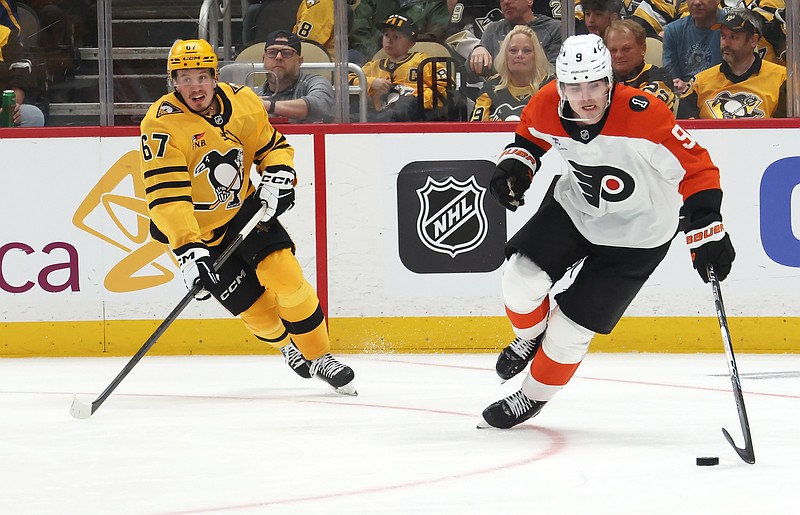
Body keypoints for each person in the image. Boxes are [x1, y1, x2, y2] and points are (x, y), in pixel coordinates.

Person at [477, 34, 735, 429]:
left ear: (610, 82)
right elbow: (529, 137)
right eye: (575, 87)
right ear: (560, 85)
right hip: (576, 209)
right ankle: (527, 335)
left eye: (595, 84)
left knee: (568, 333)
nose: (586, 97)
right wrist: (516, 166)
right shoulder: (546, 101)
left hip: (639, 235)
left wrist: (706, 226)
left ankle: (529, 397)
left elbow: (697, 169)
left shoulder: (645, 114)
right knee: (520, 278)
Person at [139, 39, 356, 395]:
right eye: (184, 78)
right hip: (196, 232)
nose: (195, 86)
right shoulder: (161, 124)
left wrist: (279, 175)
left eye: (202, 76)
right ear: (173, 83)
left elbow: (273, 148)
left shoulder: (242, 101)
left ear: (214, 77)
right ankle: (286, 346)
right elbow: (167, 198)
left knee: (285, 276)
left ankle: (321, 357)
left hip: (243, 212)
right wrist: (189, 251)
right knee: (256, 311)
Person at [677, 9, 786, 119]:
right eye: (723, 36)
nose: (726, 43)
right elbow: (685, 129)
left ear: (753, 40)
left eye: (733, 37)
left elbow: (790, 129)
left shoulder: (782, 78)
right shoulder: (699, 83)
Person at [348, 14, 450, 122]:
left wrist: (417, 99)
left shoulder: (423, 61)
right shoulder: (373, 66)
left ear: (411, 43)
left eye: (396, 37)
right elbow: (346, 80)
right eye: (386, 35)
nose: (389, 40)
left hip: (416, 117)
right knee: (349, 119)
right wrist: (371, 82)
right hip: (381, 116)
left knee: (403, 107)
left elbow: (445, 87)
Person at [470, 25, 552, 121]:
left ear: (536, 55)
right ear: (505, 55)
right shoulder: (490, 89)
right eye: (513, 50)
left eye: (527, 51)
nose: (519, 55)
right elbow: (476, 131)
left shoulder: (552, 88)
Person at [255, 30, 334, 124]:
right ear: (263, 59)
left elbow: (320, 106)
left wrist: (269, 106)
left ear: (300, 61)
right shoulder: (254, 95)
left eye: (287, 53)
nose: (278, 57)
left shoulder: (315, 83)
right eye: (272, 53)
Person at [469, 0, 562, 77]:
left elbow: (554, 73)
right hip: (498, 94)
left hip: (539, 93)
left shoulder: (554, 29)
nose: (506, 2)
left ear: (529, 1)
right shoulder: (493, 30)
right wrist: (478, 49)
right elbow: (472, 72)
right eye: (502, 0)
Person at [605, 19, 677, 112]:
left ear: (643, 49)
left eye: (626, 49)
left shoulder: (660, 77)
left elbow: (640, 112)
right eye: (613, 50)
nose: (618, 55)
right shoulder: (601, 80)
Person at [349, 0, 451, 65]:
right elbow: (359, 28)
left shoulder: (435, 3)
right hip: (368, 53)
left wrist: (401, 44)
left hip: (415, 57)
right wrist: (374, 55)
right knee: (350, 61)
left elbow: (434, 35)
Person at [662, 0, 724, 93]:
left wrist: (691, 87)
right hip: (683, 96)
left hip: (720, 93)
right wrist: (679, 85)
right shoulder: (673, 30)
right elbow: (671, 77)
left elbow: (735, 75)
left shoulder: (731, 29)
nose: (696, 3)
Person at [1, 1, 45, 126]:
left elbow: (21, 71)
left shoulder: (4, 34)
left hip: (1, 110)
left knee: (34, 116)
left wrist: (12, 110)